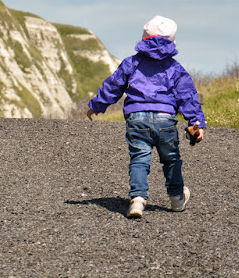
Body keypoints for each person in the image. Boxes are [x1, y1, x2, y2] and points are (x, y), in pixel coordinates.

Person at [86, 16, 206, 218]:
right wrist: (196, 122)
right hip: (165, 118)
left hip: (137, 118)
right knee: (171, 159)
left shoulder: (131, 63)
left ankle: (138, 200)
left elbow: (113, 86)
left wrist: (97, 105)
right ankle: (177, 199)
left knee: (140, 159)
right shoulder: (175, 68)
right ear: (172, 42)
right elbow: (188, 96)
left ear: (143, 39)